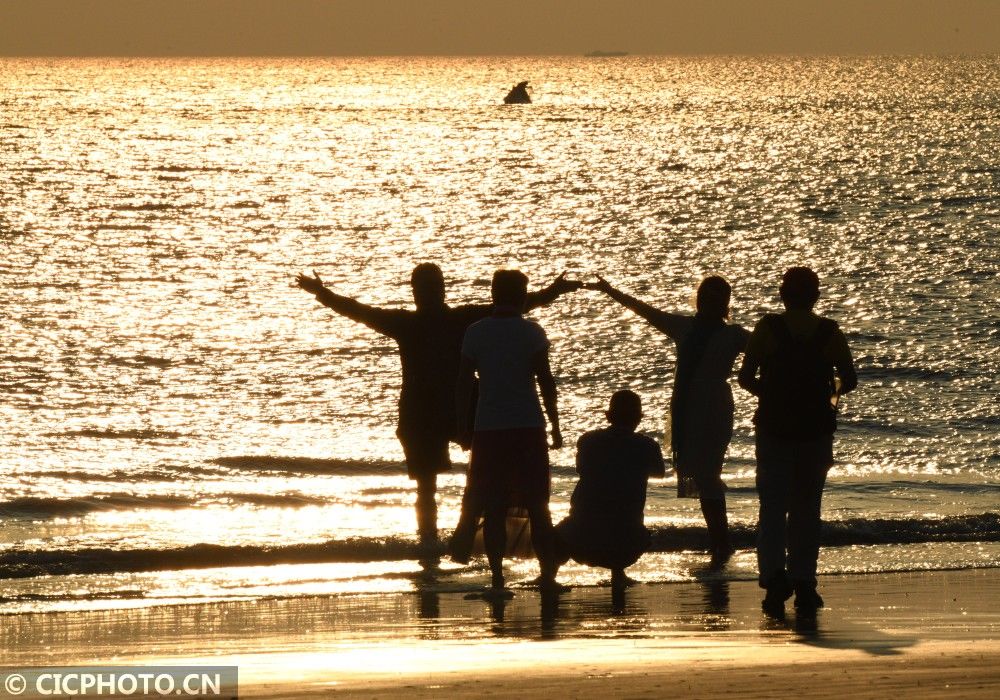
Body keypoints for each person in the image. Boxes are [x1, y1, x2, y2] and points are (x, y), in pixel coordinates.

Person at [296, 264, 580, 545]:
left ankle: (436, 542)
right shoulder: (454, 319)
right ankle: (445, 539)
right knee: (468, 482)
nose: (431, 294)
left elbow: (360, 312)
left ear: (420, 292)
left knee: (443, 485)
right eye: (429, 288)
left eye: (432, 288)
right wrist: (553, 291)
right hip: (443, 411)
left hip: (432, 411)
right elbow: (516, 304)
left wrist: (322, 293)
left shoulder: (415, 323)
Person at [588, 275, 749, 566]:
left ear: (724, 303)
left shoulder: (731, 334)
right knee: (703, 475)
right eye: (705, 297)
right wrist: (610, 290)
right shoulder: (687, 328)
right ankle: (720, 542)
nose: (709, 303)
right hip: (690, 408)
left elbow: (768, 350)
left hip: (712, 408)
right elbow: (644, 310)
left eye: (715, 298)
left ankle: (722, 543)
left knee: (708, 474)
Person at [737, 266, 857, 615]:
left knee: (772, 508)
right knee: (807, 509)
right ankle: (805, 582)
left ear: (782, 295)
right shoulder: (829, 332)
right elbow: (848, 379)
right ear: (816, 296)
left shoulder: (768, 328)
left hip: (773, 430)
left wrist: (770, 397)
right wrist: (828, 400)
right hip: (816, 432)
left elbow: (745, 377)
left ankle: (774, 580)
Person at [453, 269, 562, 596]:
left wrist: (462, 427)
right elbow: (546, 383)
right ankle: (547, 578)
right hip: (528, 427)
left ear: (493, 294)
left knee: (494, 505)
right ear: (523, 297)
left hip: (489, 429)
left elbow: (462, 386)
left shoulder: (476, 332)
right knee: (538, 503)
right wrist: (555, 425)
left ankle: (498, 579)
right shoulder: (532, 332)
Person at [553, 390, 665, 589]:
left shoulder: (588, 440)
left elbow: (581, 468)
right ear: (639, 418)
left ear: (608, 416)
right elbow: (659, 472)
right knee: (622, 513)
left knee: (554, 535)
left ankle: (548, 576)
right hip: (628, 542)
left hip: (582, 537)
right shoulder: (647, 445)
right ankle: (618, 574)